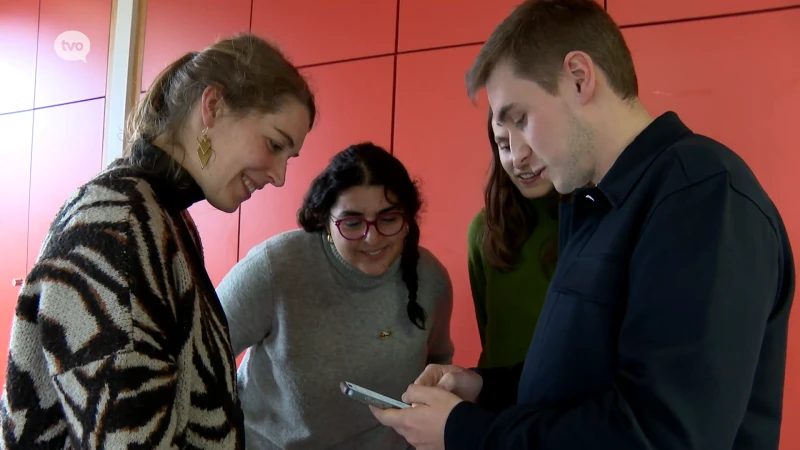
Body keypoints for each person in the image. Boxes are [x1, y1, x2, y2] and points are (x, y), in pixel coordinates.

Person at [371, 1, 795, 449]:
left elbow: (661, 436)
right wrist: (482, 388)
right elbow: (579, 376)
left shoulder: (704, 196)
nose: (515, 155)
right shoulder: (597, 204)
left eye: (521, 119)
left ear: (578, 77)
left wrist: (464, 432)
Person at [0, 33, 316, 449]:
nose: (279, 176)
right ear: (213, 106)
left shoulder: (162, 216)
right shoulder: (120, 228)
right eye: (274, 145)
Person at [216, 142, 454, 449]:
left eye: (389, 219)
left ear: (408, 218)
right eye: (353, 223)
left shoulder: (430, 279)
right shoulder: (275, 268)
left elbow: (439, 366)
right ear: (325, 220)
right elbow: (198, 354)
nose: (372, 238)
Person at [468, 110, 559, 369]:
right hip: (496, 401)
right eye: (504, 146)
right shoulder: (484, 228)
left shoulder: (597, 221)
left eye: (531, 141)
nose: (518, 159)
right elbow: (488, 330)